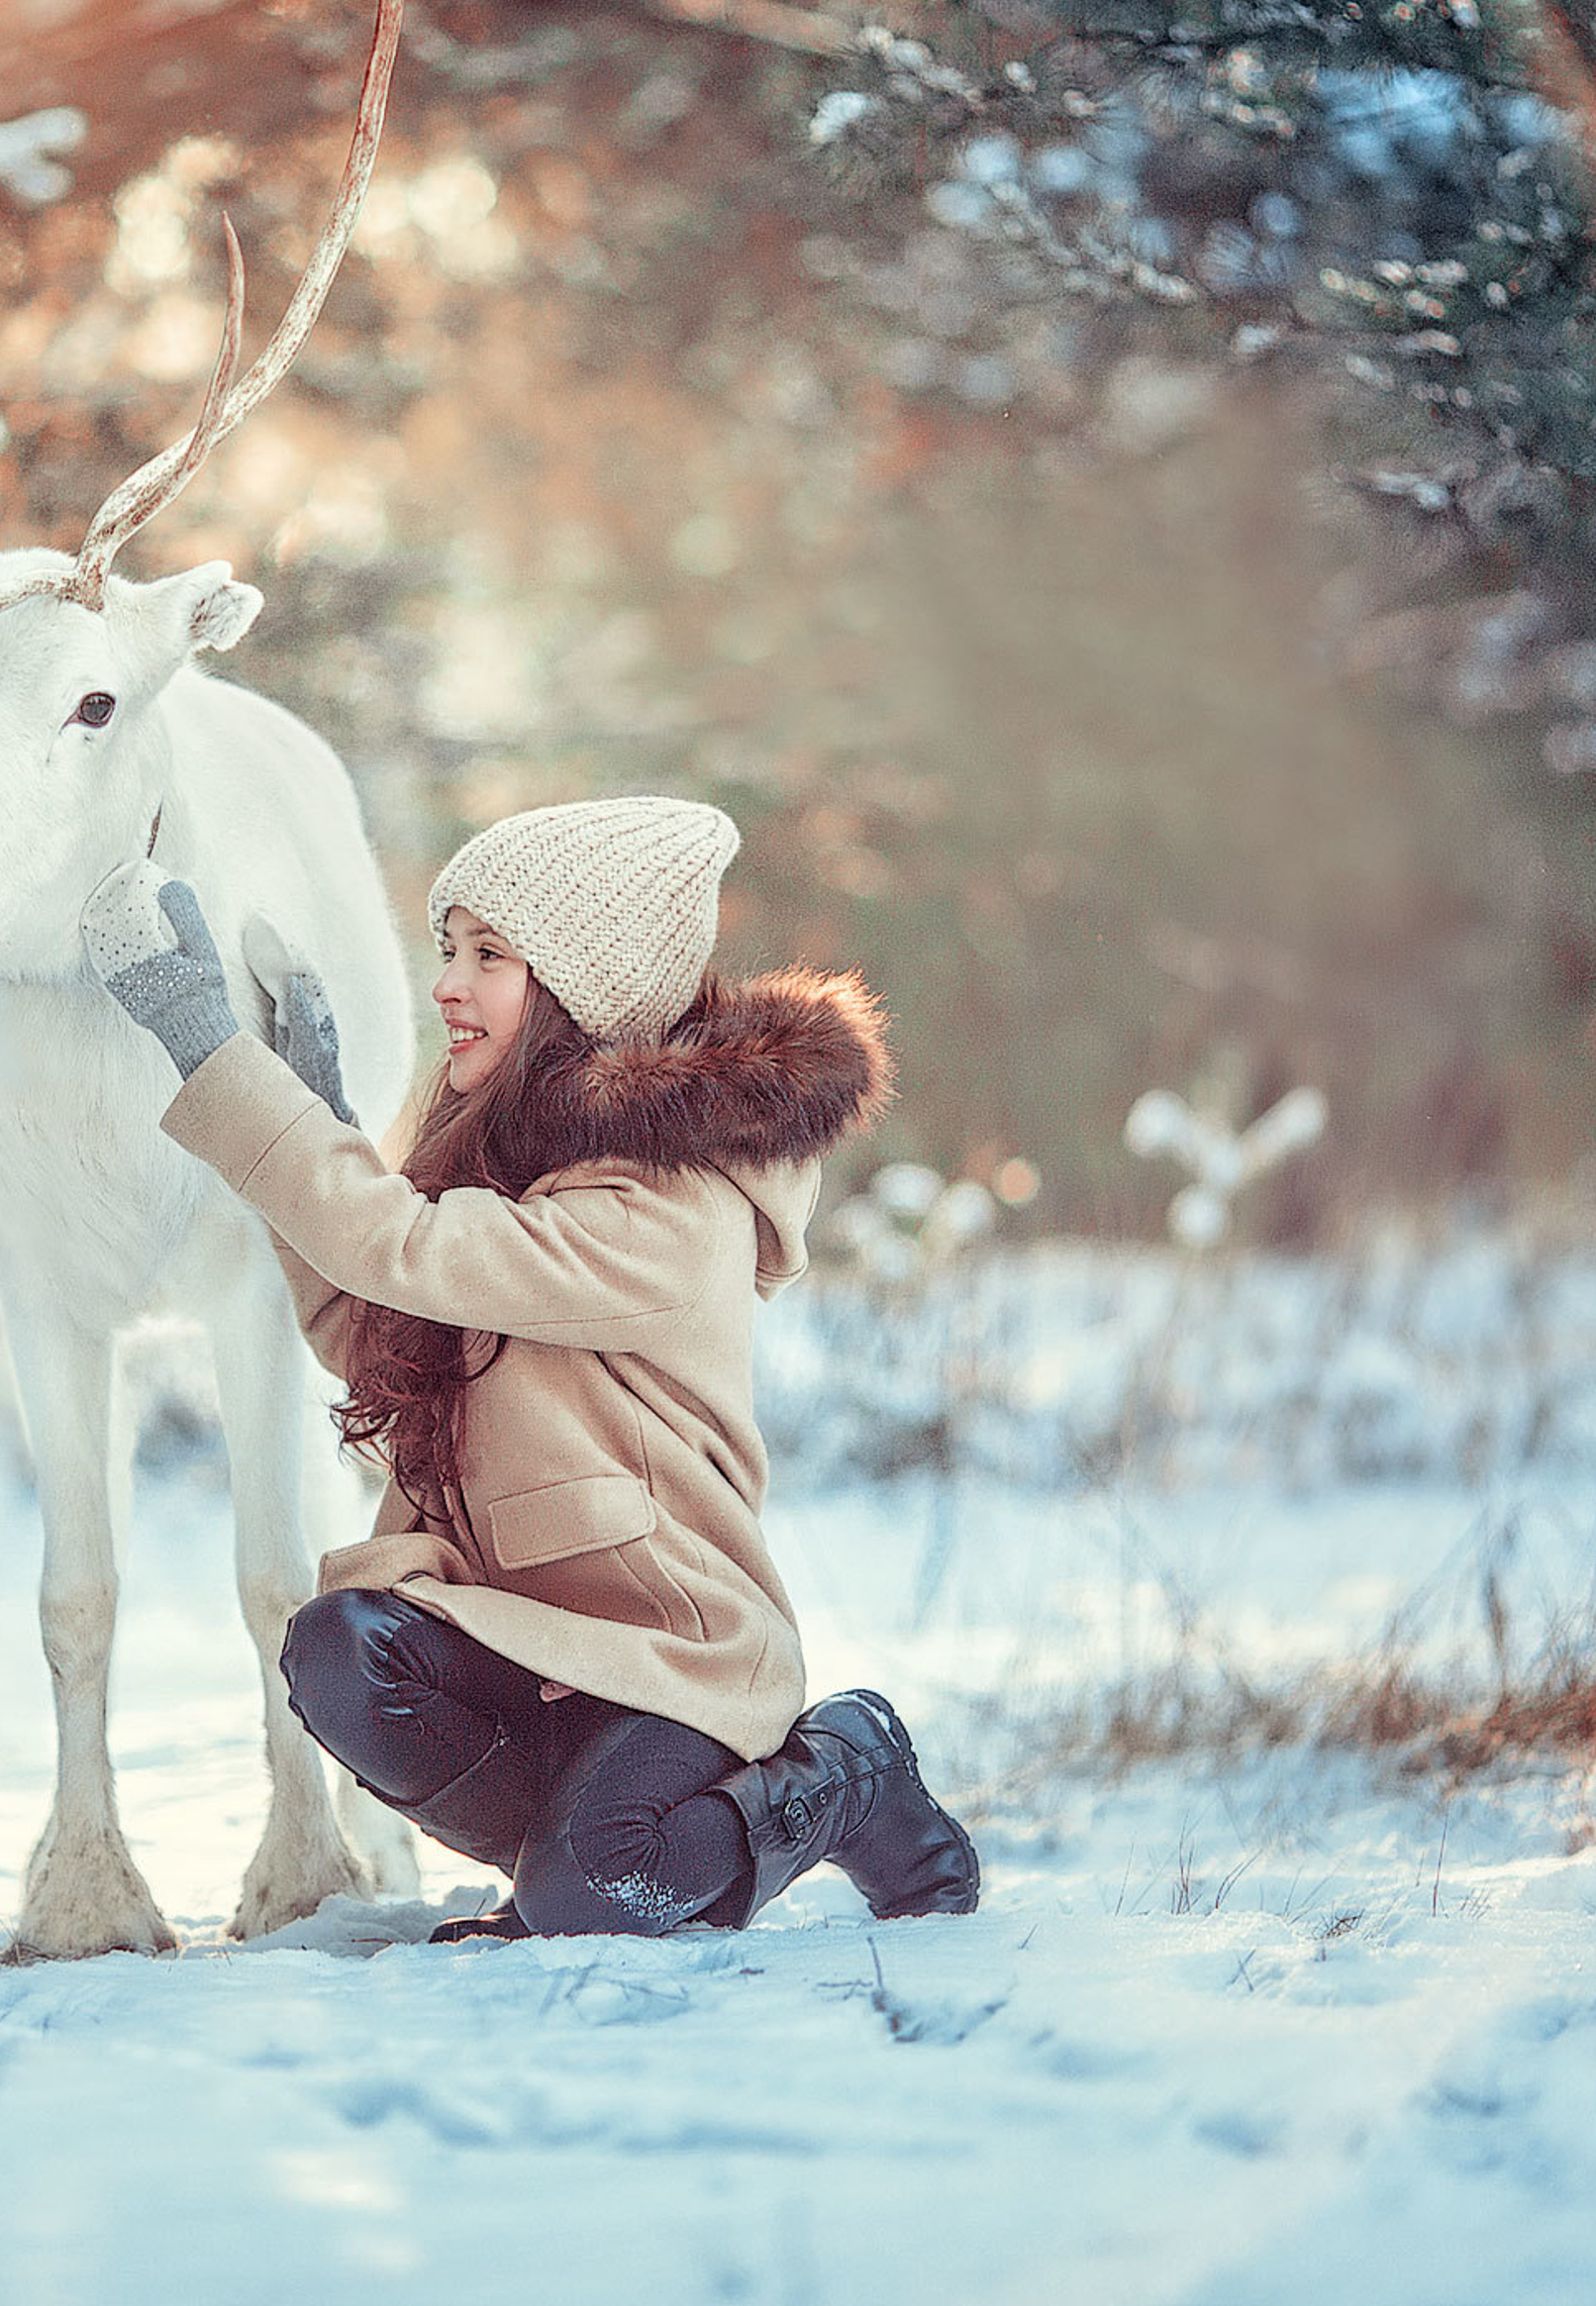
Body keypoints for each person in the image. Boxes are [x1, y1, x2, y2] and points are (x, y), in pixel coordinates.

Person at [80, 795, 979, 1943]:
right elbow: (375, 1328)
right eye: (447, 950)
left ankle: (842, 1766)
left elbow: (405, 1248)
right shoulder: (505, 1159)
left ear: (579, 984)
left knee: (605, 1892)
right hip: (517, 1632)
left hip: (666, 1660)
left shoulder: (669, 1208)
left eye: (489, 956)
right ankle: (574, 1844)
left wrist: (223, 1063)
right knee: (340, 1650)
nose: (449, 984)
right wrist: (320, 1125)